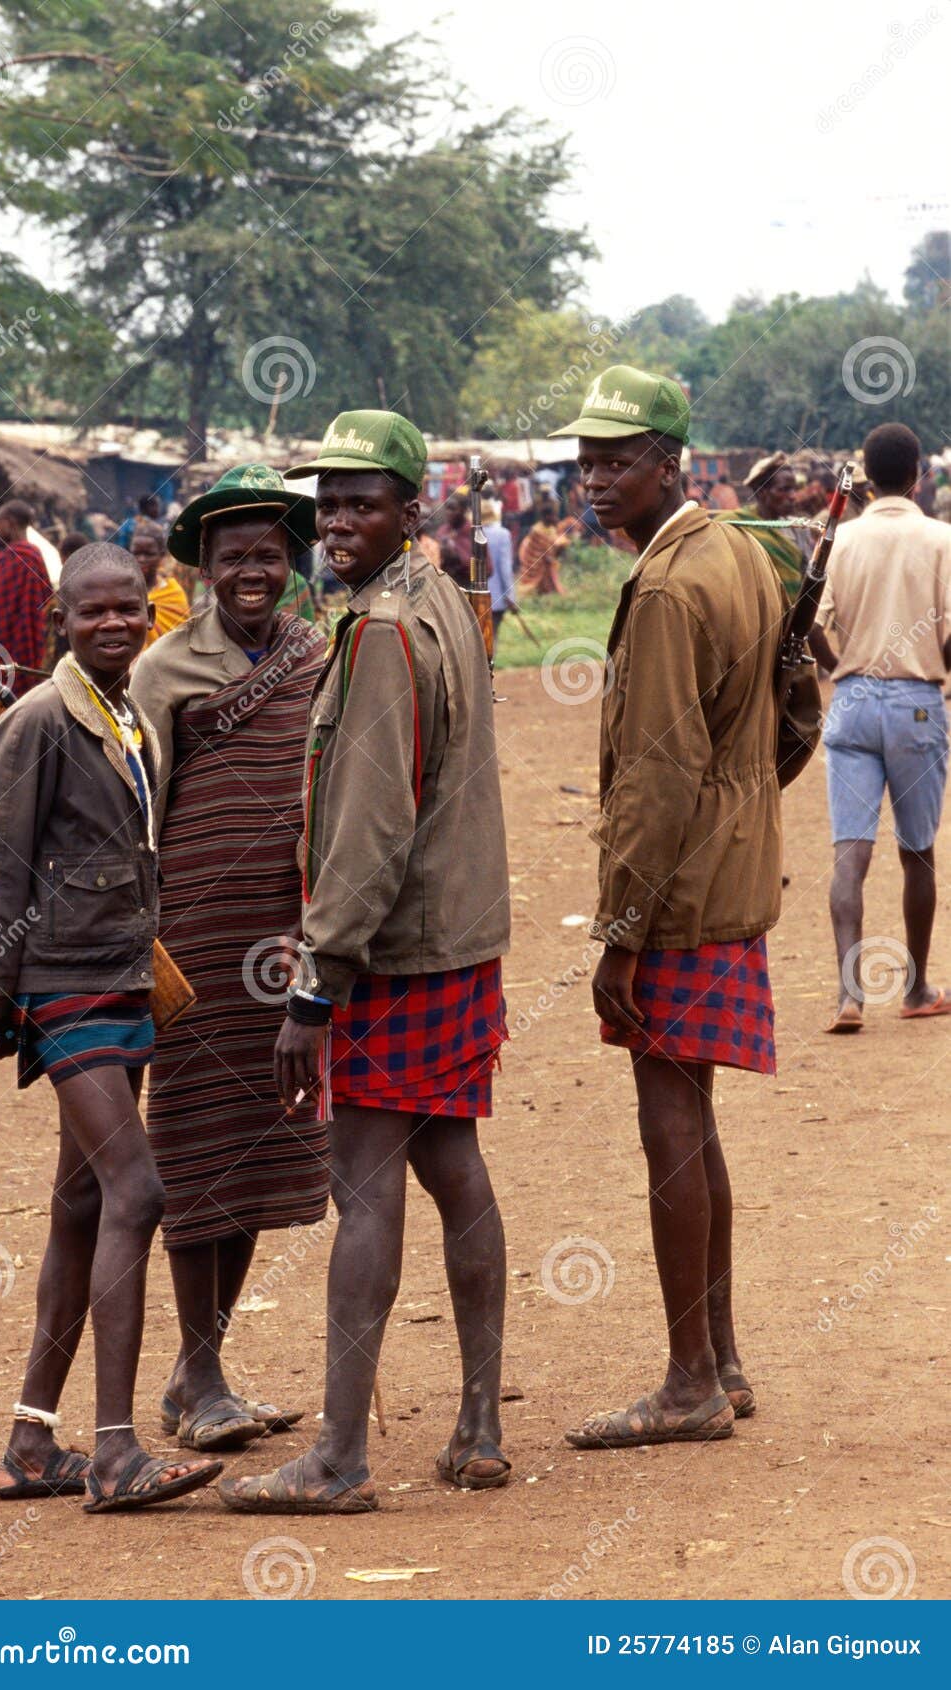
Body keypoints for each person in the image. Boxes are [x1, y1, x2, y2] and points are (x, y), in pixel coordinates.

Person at [219, 410, 511, 1516]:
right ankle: (477, 1420)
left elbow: (371, 825)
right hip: (458, 935)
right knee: (453, 1162)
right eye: (326, 502)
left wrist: (315, 983)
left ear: (410, 508)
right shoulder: (440, 599)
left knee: (364, 1186)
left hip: (391, 948)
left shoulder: (382, 630)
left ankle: (340, 1457)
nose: (336, 521)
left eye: (360, 501)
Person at [0, 542, 221, 1513]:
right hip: (62, 990)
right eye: (92, 610)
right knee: (136, 1191)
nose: (113, 623)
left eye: (127, 610)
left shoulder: (129, 713)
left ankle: (31, 1439)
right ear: (60, 618)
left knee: (80, 1205)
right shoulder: (38, 721)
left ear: (151, 614)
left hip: (122, 983)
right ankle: (113, 1450)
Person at [548, 365, 786, 1450]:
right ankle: (721, 1358)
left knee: (670, 1126)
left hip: (677, 894)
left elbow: (650, 776)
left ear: (668, 461)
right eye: (585, 460)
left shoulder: (665, 587)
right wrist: (745, 816)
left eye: (615, 460)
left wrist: (616, 930)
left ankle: (689, 1377)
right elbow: (795, 711)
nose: (593, 480)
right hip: (728, 875)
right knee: (694, 1121)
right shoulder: (741, 552)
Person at [130, 466, 330, 1453]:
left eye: (267, 553)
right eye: (232, 555)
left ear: (290, 563)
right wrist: (141, 939)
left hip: (285, 936)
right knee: (192, 1143)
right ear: (205, 567)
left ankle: (196, 1369)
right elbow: (138, 816)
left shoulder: (316, 655)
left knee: (256, 1142)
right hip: (193, 943)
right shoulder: (162, 671)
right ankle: (198, 1371)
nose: (252, 570)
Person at [809, 423, 951, 1032]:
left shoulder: (838, 540)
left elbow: (810, 627)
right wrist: (937, 669)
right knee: (917, 853)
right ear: (918, 473)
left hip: (853, 700)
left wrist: (846, 671)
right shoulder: (941, 538)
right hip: (917, 702)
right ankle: (916, 989)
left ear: (865, 476)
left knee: (851, 854)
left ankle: (850, 996)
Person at [0, 501, 52, 697]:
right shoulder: (34, 555)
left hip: (7, 636)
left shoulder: (9, 558)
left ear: (9, 523)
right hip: (32, 634)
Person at [719, 453, 802, 595]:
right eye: (784, 489)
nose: (793, 496)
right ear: (763, 492)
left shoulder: (798, 529)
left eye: (794, 489)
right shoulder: (734, 524)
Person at [129, 522, 189, 646]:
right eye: (136, 553)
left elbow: (181, 640)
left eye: (148, 554)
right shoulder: (120, 590)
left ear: (161, 555)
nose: (141, 559)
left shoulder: (173, 593)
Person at [518, 494, 571, 593]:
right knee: (548, 564)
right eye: (553, 515)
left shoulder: (551, 528)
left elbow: (556, 544)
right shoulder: (536, 530)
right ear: (546, 516)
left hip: (547, 559)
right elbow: (539, 550)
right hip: (536, 560)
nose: (555, 517)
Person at [483, 496, 516, 638]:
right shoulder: (503, 534)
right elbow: (505, 568)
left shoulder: (473, 532)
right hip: (496, 595)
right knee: (492, 636)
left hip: (474, 595)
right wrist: (510, 596)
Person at [436, 491, 473, 585]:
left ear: (464, 510)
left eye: (453, 509)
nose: (448, 512)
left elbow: (487, 568)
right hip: (445, 586)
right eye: (447, 508)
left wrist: (456, 555)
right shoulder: (442, 531)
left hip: (467, 587)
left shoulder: (472, 532)